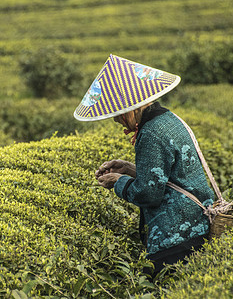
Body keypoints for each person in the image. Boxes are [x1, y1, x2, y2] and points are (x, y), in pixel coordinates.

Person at [74, 54, 214, 277]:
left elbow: (149, 193)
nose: (116, 120)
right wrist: (128, 168)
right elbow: (169, 175)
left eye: (118, 115)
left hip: (176, 236)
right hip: (197, 224)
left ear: (131, 108)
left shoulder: (150, 133)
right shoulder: (169, 119)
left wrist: (118, 181)